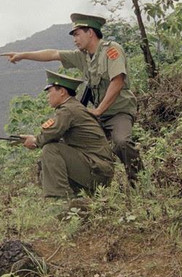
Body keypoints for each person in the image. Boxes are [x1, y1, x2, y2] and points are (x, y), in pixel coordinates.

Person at [1, 13, 144, 184]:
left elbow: (118, 81)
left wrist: (98, 110)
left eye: (77, 34)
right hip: (98, 115)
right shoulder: (82, 56)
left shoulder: (111, 50)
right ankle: (89, 186)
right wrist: (23, 55)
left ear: (90, 32)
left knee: (121, 142)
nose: (75, 39)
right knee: (69, 142)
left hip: (117, 111)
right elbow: (53, 54)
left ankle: (139, 182)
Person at [19, 70, 115, 198]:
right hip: (99, 170)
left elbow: (50, 134)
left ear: (62, 92)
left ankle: (61, 199)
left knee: (51, 149)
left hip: (98, 171)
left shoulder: (68, 110)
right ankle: (77, 197)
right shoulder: (74, 107)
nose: (48, 96)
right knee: (53, 151)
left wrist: (35, 141)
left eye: (50, 91)